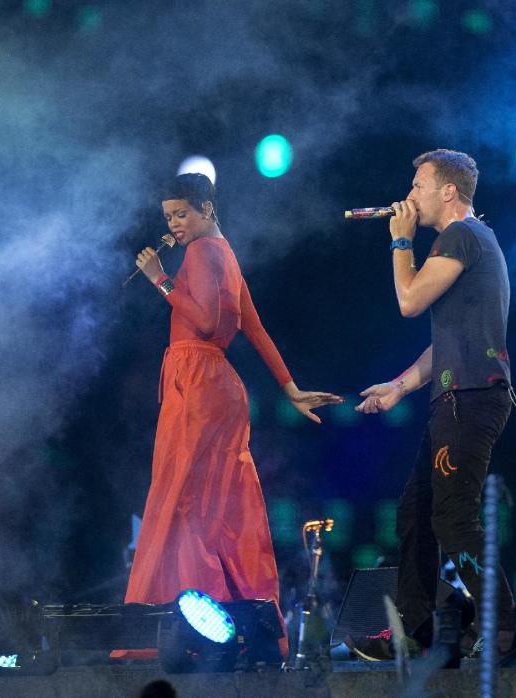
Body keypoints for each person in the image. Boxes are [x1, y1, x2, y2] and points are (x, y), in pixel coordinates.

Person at [120, 173, 343, 657]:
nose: (175, 224)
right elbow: (255, 328)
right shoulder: (225, 253)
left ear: (206, 208)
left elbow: (201, 321)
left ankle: (185, 632)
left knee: (185, 505)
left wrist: (160, 277)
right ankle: (234, 624)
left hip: (199, 385)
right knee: (217, 509)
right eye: (168, 217)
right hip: (213, 387)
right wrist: (290, 389)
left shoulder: (202, 253)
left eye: (181, 214)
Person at [352, 149, 516, 658]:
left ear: (448, 191)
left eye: (419, 186)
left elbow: (408, 301)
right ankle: (417, 632)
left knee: (453, 519)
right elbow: (446, 340)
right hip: (455, 395)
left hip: (471, 398)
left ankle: (501, 627)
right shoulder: (464, 242)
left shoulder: (462, 235)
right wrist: (399, 387)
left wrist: (400, 240)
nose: (410, 197)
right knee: (416, 513)